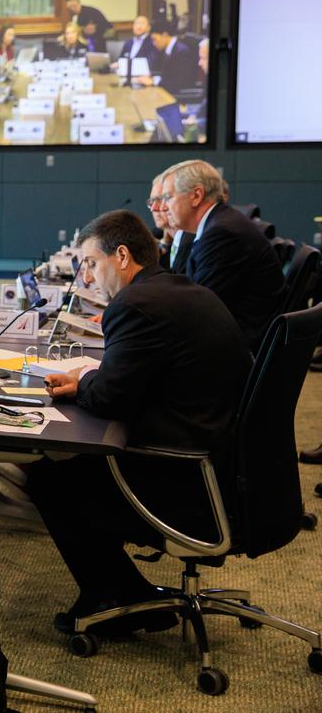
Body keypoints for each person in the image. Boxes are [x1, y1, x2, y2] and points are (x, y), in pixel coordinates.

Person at [30, 209, 251, 636]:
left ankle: (115, 599)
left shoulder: (134, 304)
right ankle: (127, 591)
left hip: (188, 478)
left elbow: (112, 398)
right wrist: (92, 379)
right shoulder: (183, 289)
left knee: (51, 477)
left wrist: (85, 380)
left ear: (124, 256)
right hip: (227, 464)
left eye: (92, 264)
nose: (89, 278)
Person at [158, 160, 284, 351]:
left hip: (234, 351)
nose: (163, 207)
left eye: (168, 197)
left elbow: (196, 309)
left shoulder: (222, 234)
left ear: (196, 196)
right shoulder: (219, 223)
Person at [141, 21, 199, 94]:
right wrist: (152, 77)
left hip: (179, 96)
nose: (153, 43)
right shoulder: (165, 50)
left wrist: (153, 81)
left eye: (155, 39)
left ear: (165, 35)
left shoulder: (181, 51)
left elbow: (179, 82)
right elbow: (166, 76)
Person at [147, 173, 189, 273]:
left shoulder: (193, 242)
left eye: (161, 200)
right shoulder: (154, 236)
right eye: (152, 201)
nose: (154, 208)